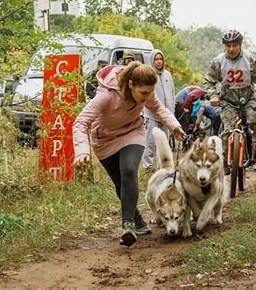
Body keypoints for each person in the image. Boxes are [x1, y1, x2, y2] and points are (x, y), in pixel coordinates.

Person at [72, 61, 185, 247]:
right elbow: (80, 123)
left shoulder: (146, 93)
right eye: (143, 93)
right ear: (131, 84)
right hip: (104, 139)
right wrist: (82, 152)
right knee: (120, 182)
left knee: (129, 171)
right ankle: (137, 217)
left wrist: (175, 126)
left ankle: (128, 226)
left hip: (132, 132)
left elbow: (157, 109)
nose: (147, 97)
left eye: (149, 92)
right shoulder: (106, 96)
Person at [203, 29, 256, 175]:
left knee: (255, 120)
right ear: (224, 46)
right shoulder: (218, 61)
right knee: (227, 130)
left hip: (248, 97)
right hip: (228, 99)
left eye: (234, 45)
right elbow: (208, 81)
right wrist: (213, 96)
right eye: (228, 46)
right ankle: (227, 161)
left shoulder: (251, 59)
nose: (231, 49)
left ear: (240, 45)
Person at [142, 49, 175, 170]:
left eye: (160, 59)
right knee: (150, 141)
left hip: (167, 115)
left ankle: (163, 167)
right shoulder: (149, 75)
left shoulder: (168, 75)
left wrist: (172, 112)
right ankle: (147, 166)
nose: (159, 61)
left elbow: (172, 94)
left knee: (164, 142)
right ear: (152, 60)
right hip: (152, 114)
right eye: (156, 59)